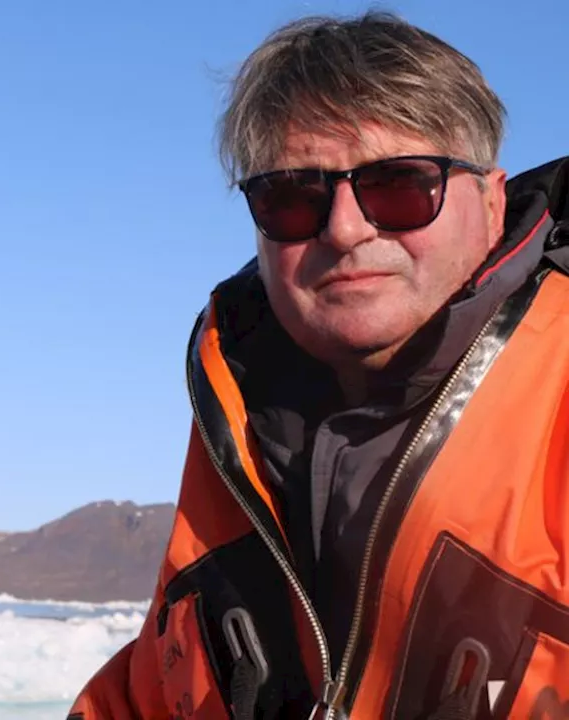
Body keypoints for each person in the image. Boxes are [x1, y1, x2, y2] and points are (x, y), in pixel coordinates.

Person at [68, 11, 569, 720]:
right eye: (293, 197)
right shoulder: (239, 421)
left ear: (491, 202)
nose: (343, 227)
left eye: (400, 185)